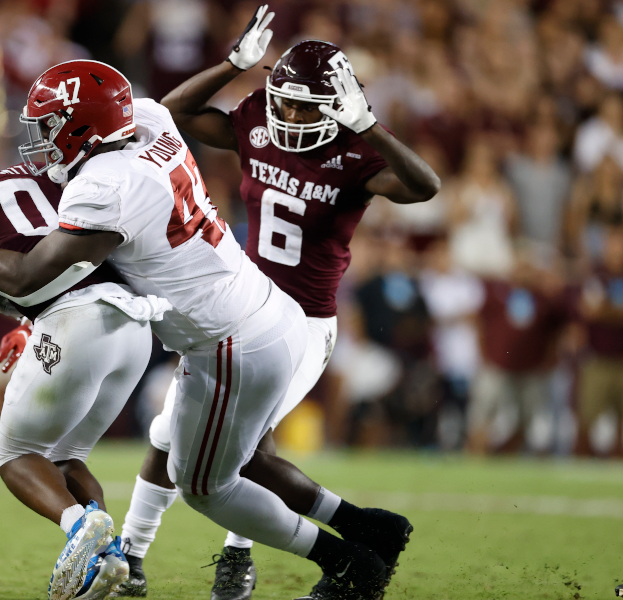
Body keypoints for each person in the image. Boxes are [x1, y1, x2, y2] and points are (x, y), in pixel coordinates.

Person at [0, 55, 415, 600]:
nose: (43, 138)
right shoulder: (146, 121)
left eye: (50, 125)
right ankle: (367, 529)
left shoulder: (106, 184)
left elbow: (27, 275)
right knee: (200, 456)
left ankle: (350, 564)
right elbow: (162, 115)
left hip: (231, 340)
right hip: (250, 313)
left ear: (80, 127)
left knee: (207, 488)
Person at [117, 6, 442, 597]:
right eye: (283, 101)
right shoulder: (257, 123)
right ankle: (136, 553)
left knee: (233, 453)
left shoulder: (357, 153)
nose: (290, 115)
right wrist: (229, 66)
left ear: (341, 106)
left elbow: (425, 186)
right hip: (243, 302)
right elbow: (174, 114)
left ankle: (243, 552)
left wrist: (369, 127)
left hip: (303, 322)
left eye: (305, 106)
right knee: (174, 430)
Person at [0, 128, 170, 600]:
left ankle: (84, 527)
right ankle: (112, 560)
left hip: (74, 325)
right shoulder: (30, 175)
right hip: (133, 325)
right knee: (64, 456)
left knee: (14, 454)